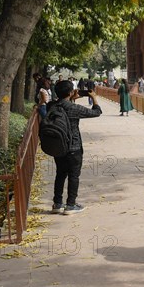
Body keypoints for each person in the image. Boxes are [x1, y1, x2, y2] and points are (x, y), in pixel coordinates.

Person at [49, 80, 102, 215]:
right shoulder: (73, 108)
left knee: (60, 174)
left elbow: (62, 106)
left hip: (58, 147)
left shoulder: (52, 106)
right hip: (74, 147)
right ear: (71, 92)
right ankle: (71, 205)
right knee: (74, 176)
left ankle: (57, 204)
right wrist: (94, 98)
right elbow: (96, 112)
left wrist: (70, 99)